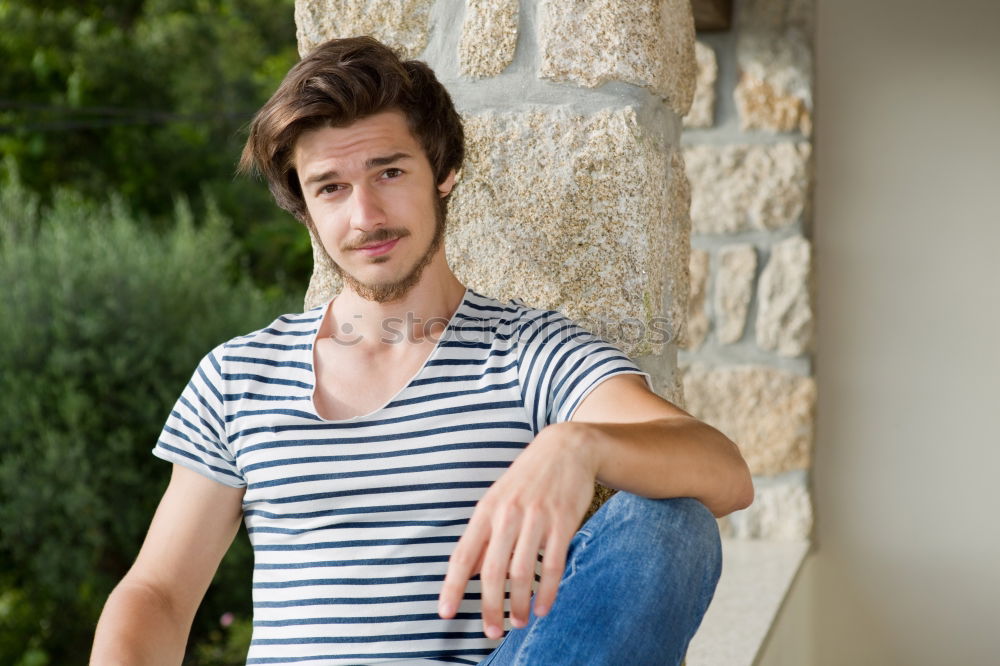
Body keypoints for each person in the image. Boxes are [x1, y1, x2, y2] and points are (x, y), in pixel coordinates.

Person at [91, 36, 753, 666]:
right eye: (331, 187)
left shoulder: (532, 355)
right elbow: (160, 594)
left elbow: (724, 472)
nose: (366, 215)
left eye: (389, 171)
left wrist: (579, 446)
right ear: (304, 207)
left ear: (443, 172)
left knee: (667, 522)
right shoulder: (238, 378)